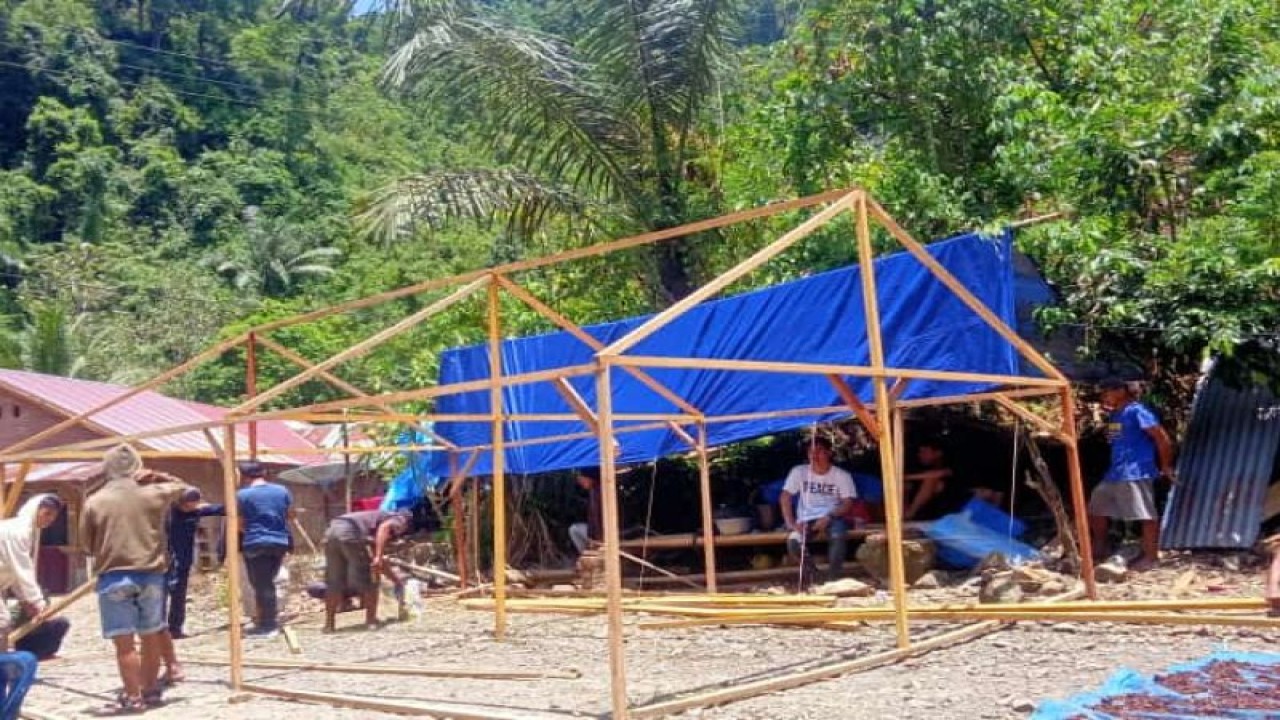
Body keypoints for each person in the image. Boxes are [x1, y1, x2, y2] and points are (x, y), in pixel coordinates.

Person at [80, 444, 191, 712]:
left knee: (124, 643)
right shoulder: (153, 493)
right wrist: (157, 475)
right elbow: (186, 489)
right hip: (151, 575)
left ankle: (133, 697)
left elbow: (86, 545)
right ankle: (151, 691)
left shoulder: (95, 501)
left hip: (113, 576)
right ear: (137, 465)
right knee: (151, 634)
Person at [1087, 378, 1175, 571]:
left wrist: (1165, 466)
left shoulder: (1138, 411)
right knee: (1096, 508)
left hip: (1136, 470)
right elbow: (1113, 440)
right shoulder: (1116, 415)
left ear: (1120, 391)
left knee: (1146, 515)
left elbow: (1161, 437)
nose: (1104, 397)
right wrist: (1109, 427)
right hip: (1116, 472)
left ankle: (1151, 557)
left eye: (1107, 392)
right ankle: (1100, 547)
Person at [321, 507, 419, 633]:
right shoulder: (398, 518)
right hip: (349, 530)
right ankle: (371, 621)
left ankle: (329, 625)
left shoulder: (371, 526)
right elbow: (385, 528)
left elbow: (379, 563)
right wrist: (378, 556)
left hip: (331, 531)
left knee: (334, 582)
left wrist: (396, 581)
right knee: (371, 579)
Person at [0, 494, 70, 660]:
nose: (50, 519)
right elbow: (22, 569)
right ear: (35, 510)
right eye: (46, 513)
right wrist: (37, 602)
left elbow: (14, 573)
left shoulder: (28, 532)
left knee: (3, 622)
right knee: (2, 623)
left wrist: (26, 600)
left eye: (53, 515)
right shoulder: (17, 531)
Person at [779, 436, 857, 585]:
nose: (814, 456)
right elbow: (785, 497)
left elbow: (848, 503)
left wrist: (829, 516)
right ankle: (815, 576)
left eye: (819, 451)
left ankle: (833, 579)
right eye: (810, 452)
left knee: (838, 535)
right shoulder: (799, 472)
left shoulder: (841, 475)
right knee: (793, 542)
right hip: (806, 518)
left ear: (829, 453)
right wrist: (791, 523)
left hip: (833, 516)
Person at [235, 461, 293, 637]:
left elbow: (239, 523)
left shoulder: (242, 495)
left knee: (262, 585)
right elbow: (290, 514)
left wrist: (251, 531)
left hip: (255, 542)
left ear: (243, 476)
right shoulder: (282, 491)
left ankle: (268, 626)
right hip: (279, 541)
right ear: (264, 472)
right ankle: (267, 621)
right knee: (268, 583)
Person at [166, 488, 224, 639]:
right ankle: (156, 631)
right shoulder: (168, 513)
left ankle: (174, 629)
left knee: (178, 595)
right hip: (165, 559)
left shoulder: (194, 512)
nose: (191, 507)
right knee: (159, 595)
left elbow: (220, 509)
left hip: (183, 559)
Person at [903, 439, 964, 521]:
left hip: (947, 504)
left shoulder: (950, 465)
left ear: (938, 453)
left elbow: (936, 474)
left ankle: (910, 513)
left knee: (931, 481)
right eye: (920, 452)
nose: (920, 455)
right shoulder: (918, 466)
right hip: (922, 508)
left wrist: (904, 477)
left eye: (924, 452)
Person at [568, 468, 602, 555]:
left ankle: (592, 556)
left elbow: (598, 519)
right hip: (594, 533)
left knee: (574, 529)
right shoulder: (592, 491)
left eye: (581, 479)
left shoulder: (600, 491)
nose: (580, 482)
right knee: (574, 529)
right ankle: (587, 556)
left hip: (604, 534)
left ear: (589, 478)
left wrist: (595, 538)